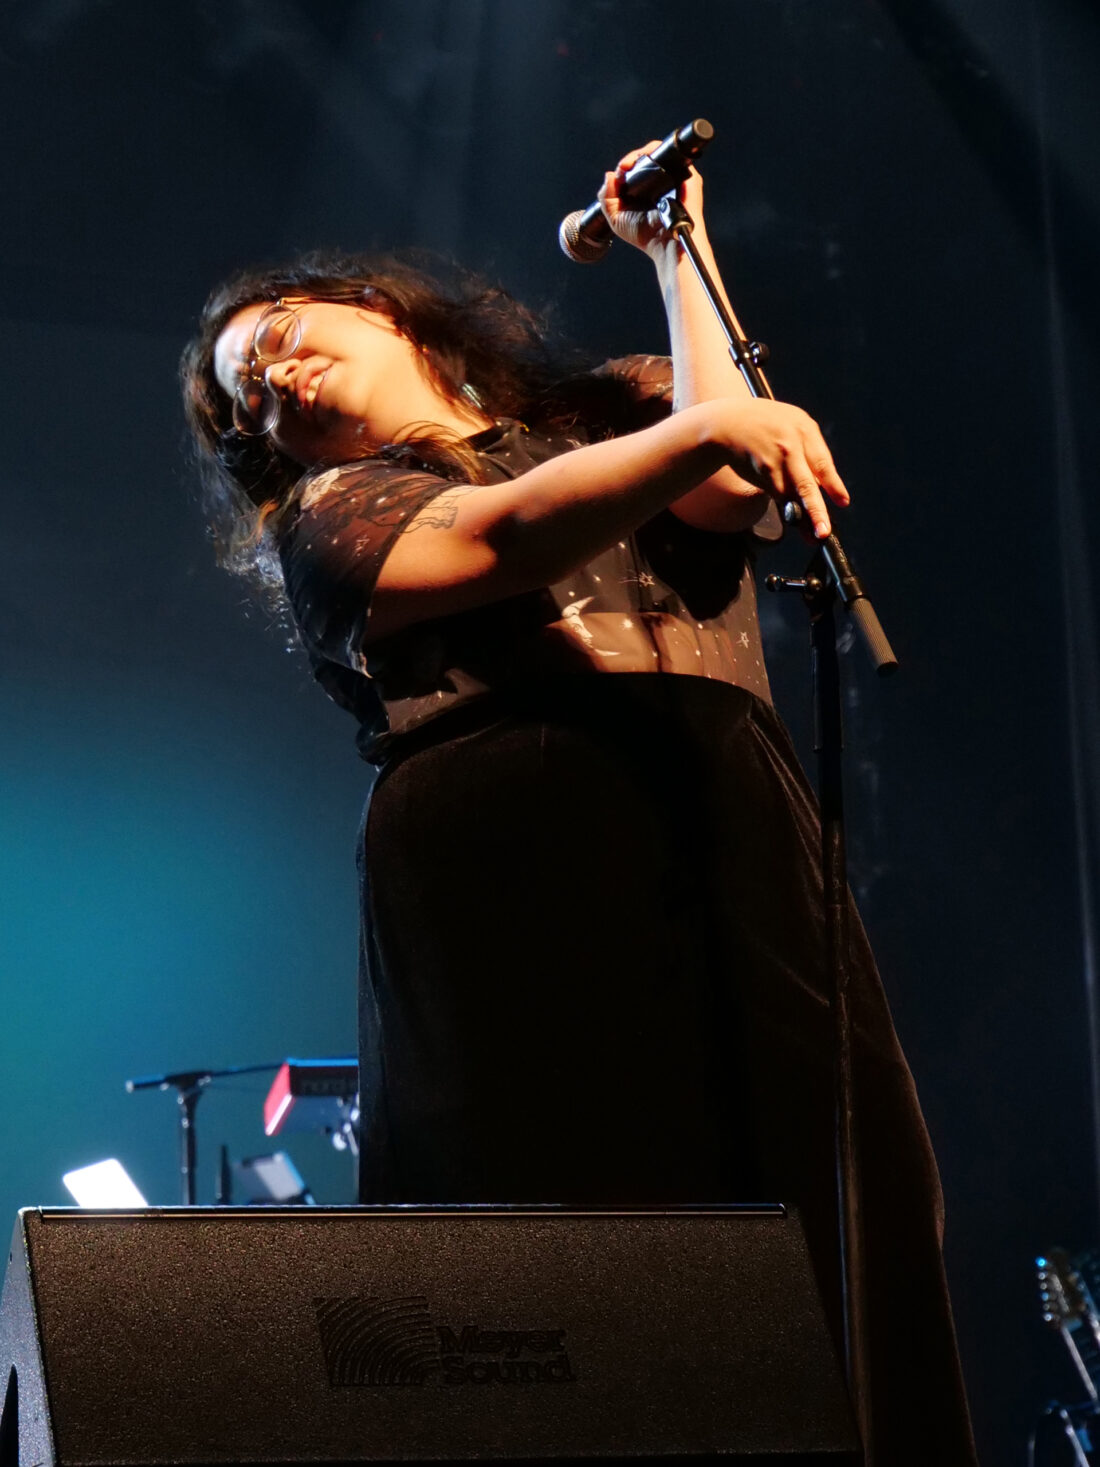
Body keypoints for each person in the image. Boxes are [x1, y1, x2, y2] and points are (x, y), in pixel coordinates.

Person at [181, 145, 977, 1464]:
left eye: (274, 337)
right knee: (571, 1216)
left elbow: (735, 488)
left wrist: (677, 252)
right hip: (507, 836)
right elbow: (501, 536)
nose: (267, 381)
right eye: (244, 400)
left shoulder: (621, 407)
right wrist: (704, 431)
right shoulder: (327, 508)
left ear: (387, 311)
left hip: (722, 799)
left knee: (838, 1183)